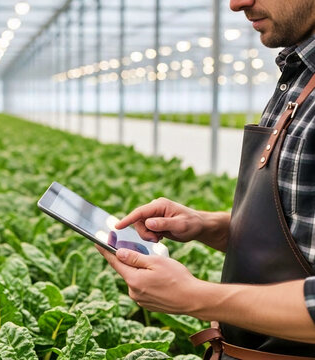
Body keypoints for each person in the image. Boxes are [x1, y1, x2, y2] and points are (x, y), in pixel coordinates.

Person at [97, 0, 315, 358]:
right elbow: (302, 239)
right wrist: (205, 225)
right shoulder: (299, 74)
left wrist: (195, 296)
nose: (236, 3)